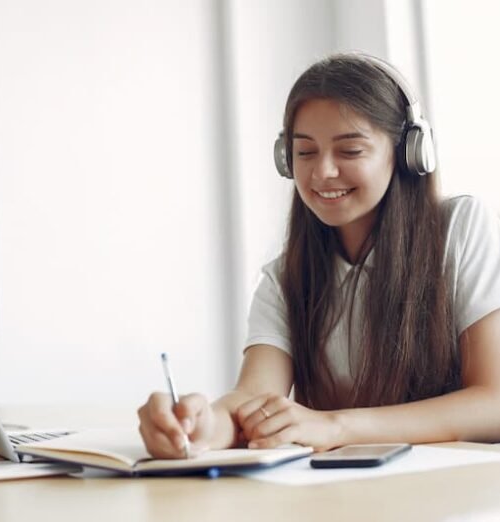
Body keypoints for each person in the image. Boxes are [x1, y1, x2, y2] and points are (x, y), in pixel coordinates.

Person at [137, 53, 500, 457]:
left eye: (349, 151)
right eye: (305, 152)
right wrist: (201, 426)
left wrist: (336, 425)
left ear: (406, 154)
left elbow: (494, 402)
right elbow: (252, 398)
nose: (322, 172)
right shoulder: (285, 277)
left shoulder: (458, 230)